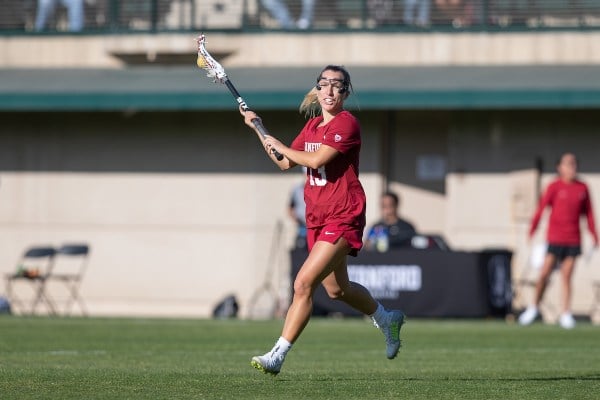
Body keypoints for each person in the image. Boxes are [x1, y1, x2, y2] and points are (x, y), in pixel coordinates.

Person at [240, 65, 405, 375]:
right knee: (337, 291)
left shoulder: (347, 124)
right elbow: (285, 162)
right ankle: (387, 318)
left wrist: (278, 143)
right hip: (317, 218)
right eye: (324, 84)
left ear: (345, 92)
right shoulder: (313, 127)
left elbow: (315, 160)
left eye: (337, 85)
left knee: (302, 284)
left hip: (344, 215)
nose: (329, 90)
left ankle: (277, 355)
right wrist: (259, 129)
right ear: (316, 90)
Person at [518, 152, 598, 329]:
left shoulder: (582, 188)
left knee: (567, 276)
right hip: (555, 238)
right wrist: (532, 229)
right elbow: (541, 208)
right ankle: (533, 308)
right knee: (544, 274)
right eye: (568, 164)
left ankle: (565, 314)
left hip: (573, 239)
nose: (571, 167)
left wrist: (594, 234)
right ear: (559, 167)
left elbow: (590, 214)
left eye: (574, 164)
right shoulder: (554, 186)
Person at [288, 169, 307, 249]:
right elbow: (290, 208)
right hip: (302, 226)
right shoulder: (297, 189)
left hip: (316, 225)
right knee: (301, 249)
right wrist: (296, 220)